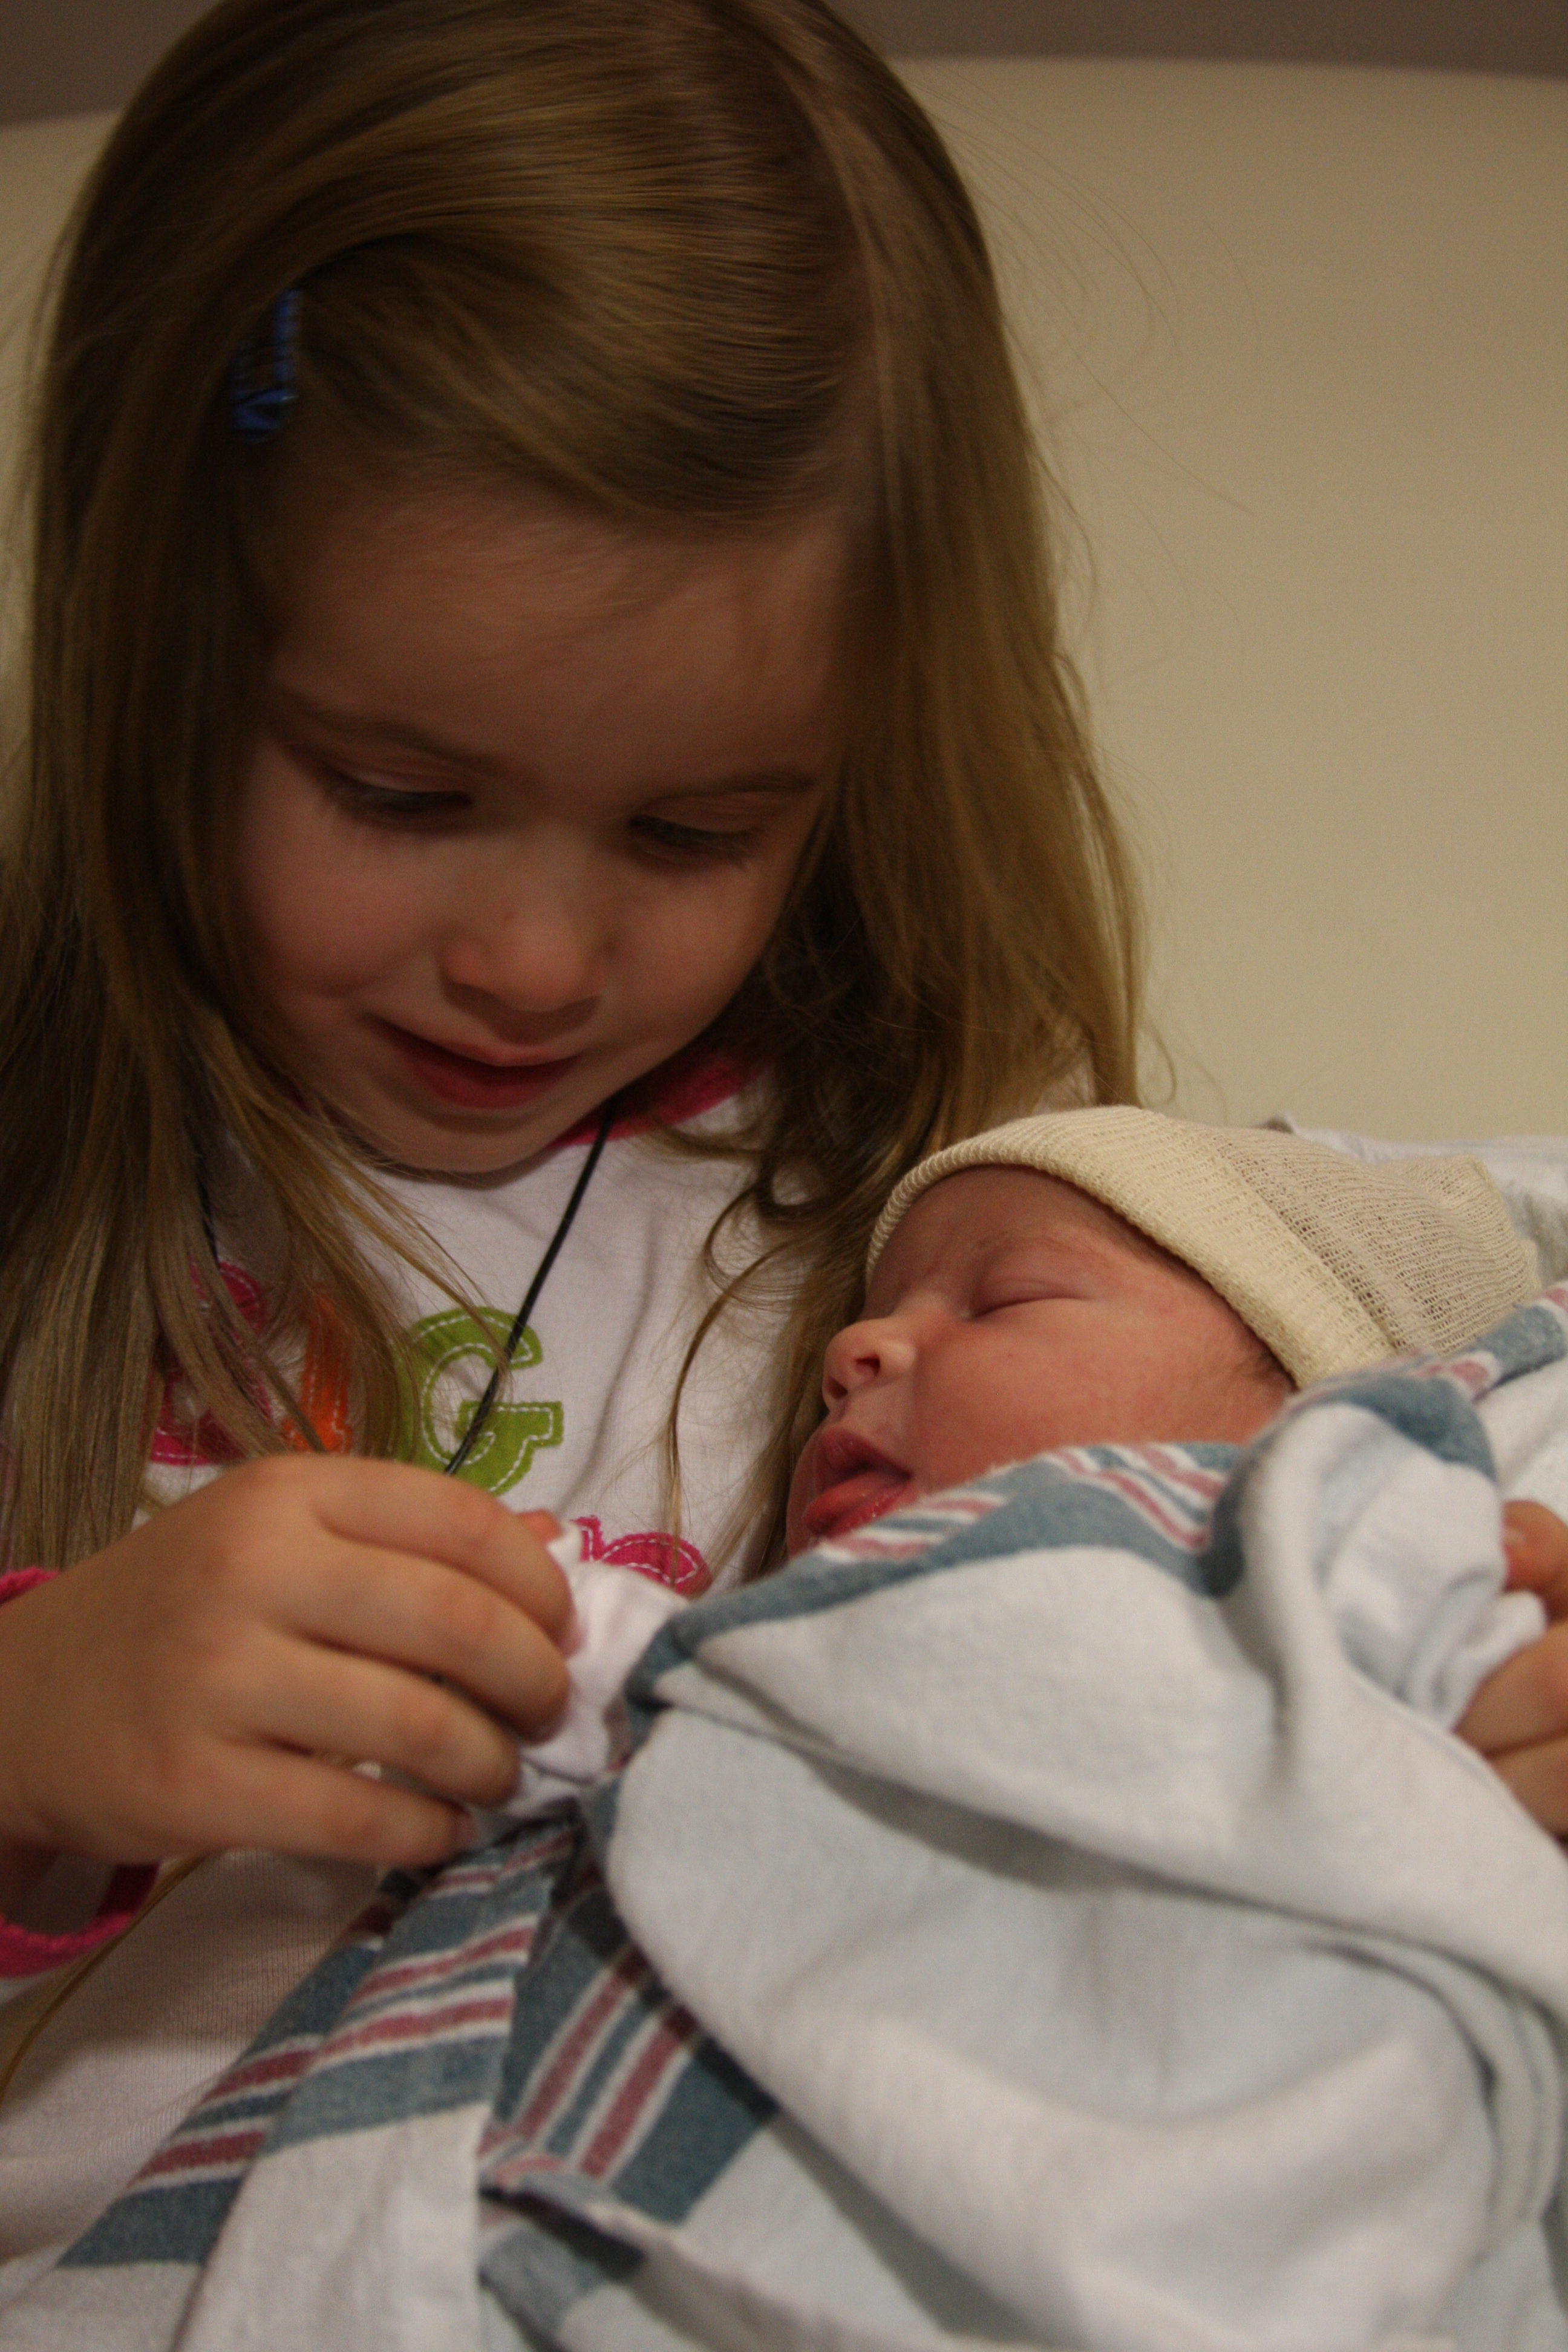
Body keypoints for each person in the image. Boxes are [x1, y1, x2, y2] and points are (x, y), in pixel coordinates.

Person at [0, 0, 1565, 2298]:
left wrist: (1447, 1716)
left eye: (693, 831)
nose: (533, 962)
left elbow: (1422, 1420)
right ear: (155, 646)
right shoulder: (53, 1171)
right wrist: (33, 1740)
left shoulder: (964, 1197)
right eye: (401, 793)